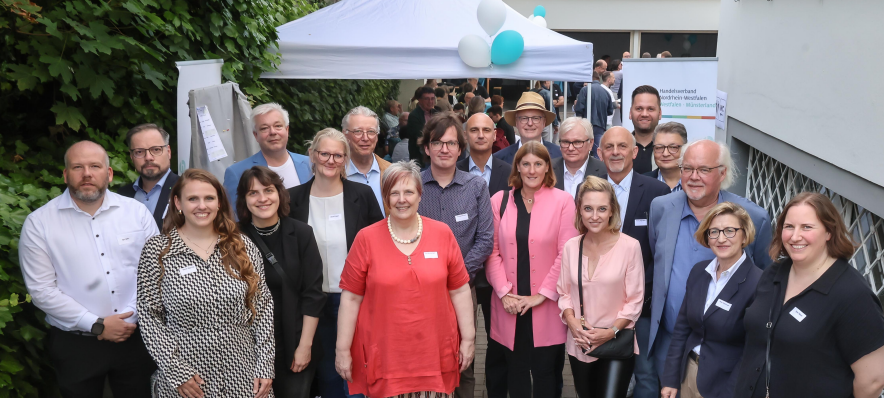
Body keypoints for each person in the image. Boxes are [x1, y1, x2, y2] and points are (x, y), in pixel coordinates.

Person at [19, 141, 159, 398]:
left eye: (95, 166)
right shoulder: (39, 223)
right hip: (76, 344)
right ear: (65, 174)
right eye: (77, 167)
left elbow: (156, 271)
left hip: (138, 336)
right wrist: (97, 324)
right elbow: (42, 290)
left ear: (109, 173)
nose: (87, 174)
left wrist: (130, 318)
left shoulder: (136, 213)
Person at [334, 160, 476, 398]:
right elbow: (350, 298)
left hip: (435, 357)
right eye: (394, 193)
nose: (402, 199)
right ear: (386, 198)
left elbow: (460, 291)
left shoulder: (442, 234)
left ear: (420, 195)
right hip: (386, 360)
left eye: (409, 191)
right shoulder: (366, 239)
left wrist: (469, 339)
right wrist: (342, 349)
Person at [137, 168, 274, 398]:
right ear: (178, 203)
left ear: (219, 202)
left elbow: (262, 309)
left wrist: (265, 365)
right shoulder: (157, 252)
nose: (202, 206)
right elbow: (149, 317)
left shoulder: (242, 247)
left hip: (243, 373)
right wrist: (176, 371)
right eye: (193, 199)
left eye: (209, 198)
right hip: (188, 379)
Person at [648, 140, 773, 388]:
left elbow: (766, 279)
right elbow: (657, 259)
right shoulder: (661, 207)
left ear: (723, 173)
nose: (694, 177)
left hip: (725, 354)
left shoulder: (753, 218)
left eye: (704, 170)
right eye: (687, 168)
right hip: (669, 341)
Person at [733, 193, 884, 398]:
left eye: (807, 227)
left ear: (829, 232)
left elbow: (873, 380)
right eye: (789, 227)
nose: (795, 236)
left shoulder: (852, 294)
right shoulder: (774, 273)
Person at [287, 128, 384, 398]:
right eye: (324, 153)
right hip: (312, 303)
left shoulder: (362, 196)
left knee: (357, 375)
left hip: (355, 300)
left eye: (338, 155)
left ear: (346, 159)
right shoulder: (292, 199)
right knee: (327, 376)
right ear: (312, 155)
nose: (331, 160)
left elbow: (379, 244)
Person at [485, 142, 579, 398]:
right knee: (515, 373)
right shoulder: (500, 200)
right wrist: (504, 292)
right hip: (510, 304)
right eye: (525, 163)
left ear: (548, 166)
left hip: (546, 304)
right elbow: (492, 252)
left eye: (538, 163)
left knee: (547, 374)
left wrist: (541, 295)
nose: (532, 169)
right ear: (517, 166)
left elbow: (566, 253)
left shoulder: (563, 201)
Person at [418, 113, 494, 398]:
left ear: (460, 149)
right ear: (427, 148)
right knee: (424, 354)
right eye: (437, 142)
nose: (444, 149)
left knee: (464, 357)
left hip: (463, 288)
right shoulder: (413, 187)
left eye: (451, 143)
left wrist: (457, 276)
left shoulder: (476, 187)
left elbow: (485, 240)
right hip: (420, 288)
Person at [236, 166, 327, 398]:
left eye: (268, 190)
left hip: (295, 341)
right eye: (253, 193)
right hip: (246, 347)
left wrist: (305, 346)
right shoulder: (232, 239)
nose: (262, 198)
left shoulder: (302, 234)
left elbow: (313, 294)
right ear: (244, 200)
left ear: (280, 193)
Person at [596, 127, 670, 398]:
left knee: (645, 376)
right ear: (600, 153)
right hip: (597, 305)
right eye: (610, 147)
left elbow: (660, 251)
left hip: (642, 307)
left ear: (635, 152)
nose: (616, 152)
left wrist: (637, 296)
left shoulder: (657, 191)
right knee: (601, 378)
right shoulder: (589, 188)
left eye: (622, 146)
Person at [660, 202, 763, 398]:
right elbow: (682, 328)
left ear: (744, 235)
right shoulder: (700, 271)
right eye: (714, 231)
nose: (721, 238)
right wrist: (670, 379)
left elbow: (752, 350)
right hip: (688, 374)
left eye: (730, 231)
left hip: (724, 385)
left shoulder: (758, 283)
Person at [557, 176, 644, 398]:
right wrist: (572, 321)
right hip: (581, 341)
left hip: (615, 340)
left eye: (602, 209)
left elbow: (635, 301)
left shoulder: (630, 247)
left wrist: (610, 331)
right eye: (588, 208)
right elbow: (564, 292)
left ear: (612, 211)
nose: (594, 216)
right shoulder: (571, 247)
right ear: (579, 210)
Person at [457, 113, 513, 340]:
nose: (480, 135)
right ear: (465, 136)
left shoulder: (510, 172)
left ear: (495, 135)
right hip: (462, 269)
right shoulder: (453, 170)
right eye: (474, 130)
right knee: (460, 338)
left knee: (499, 341)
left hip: (500, 270)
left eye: (486, 130)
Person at [224, 102, 312, 214]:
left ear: (287, 130)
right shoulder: (237, 173)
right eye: (264, 128)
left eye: (278, 126)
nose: (273, 132)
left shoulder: (310, 164)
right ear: (256, 135)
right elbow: (233, 218)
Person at [118, 123, 180, 229]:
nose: (148, 157)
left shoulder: (185, 189)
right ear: (132, 157)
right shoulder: (122, 195)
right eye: (139, 152)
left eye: (156, 150)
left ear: (168, 152)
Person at [343, 106, 392, 216]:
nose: (365, 138)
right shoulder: (335, 174)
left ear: (377, 136)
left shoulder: (391, 171)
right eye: (358, 131)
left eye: (371, 131)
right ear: (345, 135)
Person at [493, 92, 563, 164]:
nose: (530, 123)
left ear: (544, 122)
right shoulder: (500, 159)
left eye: (535, 118)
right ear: (516, 122)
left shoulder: (560, 155)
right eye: (524, 118)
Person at [551, 117, 606, 198]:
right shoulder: (547, 169)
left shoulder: (604, 172)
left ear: (591, 143)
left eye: (577, 142)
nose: (570, 148)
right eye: (566, 142)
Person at [573, 72, 614, 158]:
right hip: (600, 125)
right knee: (597, 151)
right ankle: (598, 170)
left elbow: (579, 109)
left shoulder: (584, 90)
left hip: (585, 125)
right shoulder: (605, 91)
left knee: (582, 150)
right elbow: (610, 111)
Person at [629, 86, 663, 175]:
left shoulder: (672, 151)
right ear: (630, 113)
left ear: (659, 113)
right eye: (639, 109)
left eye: (650, 109)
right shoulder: (619, 148)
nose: (644, 114)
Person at [644, 122, 687, 192]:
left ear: (685, 148)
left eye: (673, 147)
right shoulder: (640, 183)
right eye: (659, 147)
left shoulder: (695, 182)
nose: (665, 154)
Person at [407, 86, 438, 165]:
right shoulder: (414, 115)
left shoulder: (437, 113)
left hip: (435, 154)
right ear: (420, 100)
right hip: (420, 157)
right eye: (427, 99)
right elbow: (419, 135)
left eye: (432, 98)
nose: (430, 101)